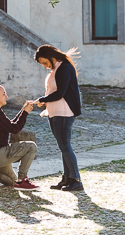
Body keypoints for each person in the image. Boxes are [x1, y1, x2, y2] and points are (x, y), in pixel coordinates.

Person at [30, 44, 84, 192]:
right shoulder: (56, 69)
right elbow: (53, 92)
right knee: (62, 146)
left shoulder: (64, 67)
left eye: (45, 62)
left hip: (64, 111)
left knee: (65, 145)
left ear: (50, 56)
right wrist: (44, 101)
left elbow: (60, 93)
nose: (45, 66)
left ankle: (76, 179)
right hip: (54, 111)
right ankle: (67, 178)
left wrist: (41, 100)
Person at [0, 84, 40, 191]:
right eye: (4, 94)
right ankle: (23, 179)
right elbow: (15, 129)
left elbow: (10, 125)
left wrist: (23, 110)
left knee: (13, 182)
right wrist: (25, 113)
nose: (6, 96)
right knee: (31, 146)